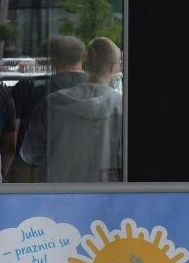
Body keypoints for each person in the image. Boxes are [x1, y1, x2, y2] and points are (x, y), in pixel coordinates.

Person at [33, 36, 122, 183]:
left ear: (86, 61)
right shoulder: (120, 106)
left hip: (55, 189)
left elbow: (31, 151)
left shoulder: (53, 102)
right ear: (113, 67)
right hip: (103, 189)